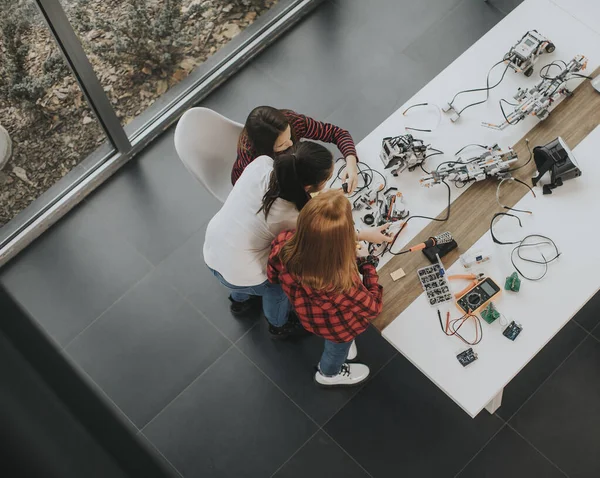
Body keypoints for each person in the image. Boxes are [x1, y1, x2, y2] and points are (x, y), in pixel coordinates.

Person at [267, 190, 383, 387]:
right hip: (338, 329)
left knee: (338, 345)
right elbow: (373, 308)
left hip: (309, 314)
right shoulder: (342, 282)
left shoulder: (285, 242)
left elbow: (272, 275)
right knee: (337, 350)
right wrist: (368, 264)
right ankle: (329, 374)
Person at [232, 106, 360, 193]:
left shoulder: (292, 121)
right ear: (265, 148)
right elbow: (270, 192)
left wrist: (351, 163)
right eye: (281, 145)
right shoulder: (252, 157)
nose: (291, 143)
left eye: (289, 135)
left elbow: (337, 133)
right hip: (255, 186)